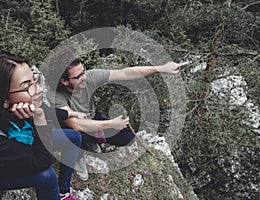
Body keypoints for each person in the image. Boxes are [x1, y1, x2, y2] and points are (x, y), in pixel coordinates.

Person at [0, 51, 84, 200]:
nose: (39, 89)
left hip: (7, 150)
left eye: (34, 80)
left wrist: (69, 114)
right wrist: (38, 118)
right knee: (46, 175)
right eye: (27, 86)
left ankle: (63, 191)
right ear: (3, 98)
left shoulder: (3, 104)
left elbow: (45, 110)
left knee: (73, 137)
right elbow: (41, 162)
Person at [50, 52, 189, 181]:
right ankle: (78, 153)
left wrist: (161, 68)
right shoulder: (56, 96)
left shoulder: (89, 78)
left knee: (127, 139)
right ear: (64, 81)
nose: (84, 77)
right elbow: (76, 124)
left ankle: (92, 141)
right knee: (77, 135)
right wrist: (111, 124)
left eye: (83, 72)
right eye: (78, 76)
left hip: (92, 119)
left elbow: (126, 73)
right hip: (75, 129)